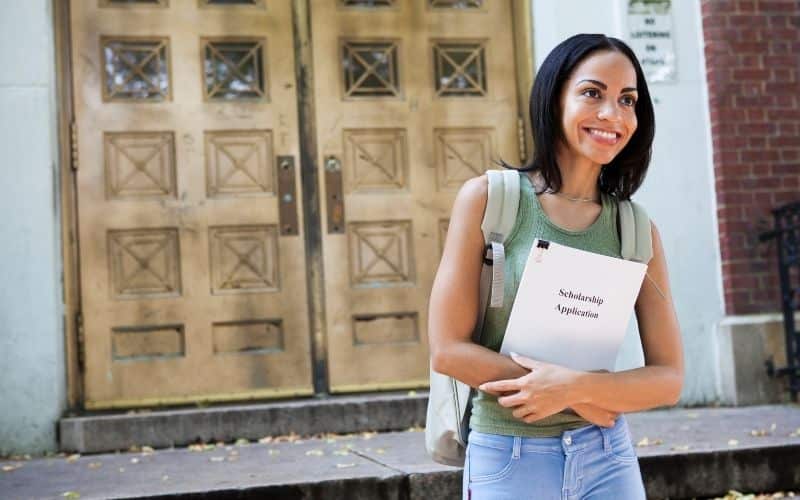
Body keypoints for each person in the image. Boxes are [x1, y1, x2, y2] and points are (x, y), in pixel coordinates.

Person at [428, 33, 684, 499]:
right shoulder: (490, 199)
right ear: (554, 99)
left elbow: (668, 378)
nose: (612, 114)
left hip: (608, 458)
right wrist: (581, 395)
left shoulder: (635, 228)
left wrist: (573, 390)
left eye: (627, 100)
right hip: (508, 457)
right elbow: (447, 349)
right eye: (592, 93)